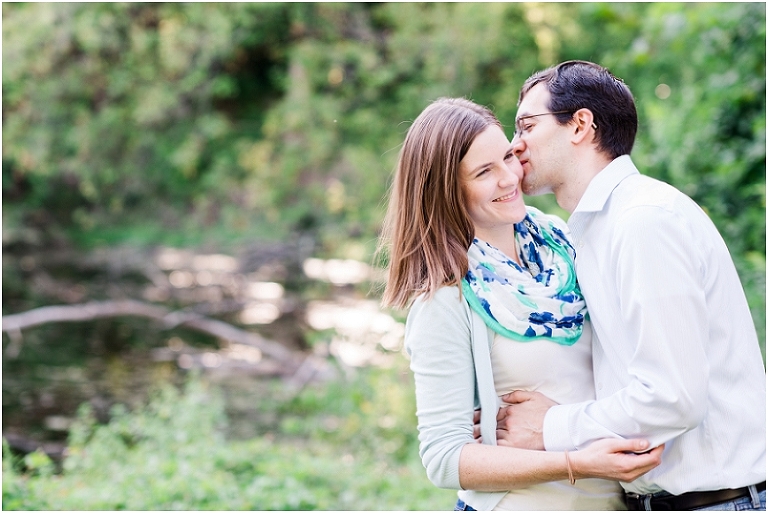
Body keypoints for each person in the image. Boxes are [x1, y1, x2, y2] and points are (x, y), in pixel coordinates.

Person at [494, 60, 766, 511]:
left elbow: (672, 398)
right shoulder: (593, 231)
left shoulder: (643, 221)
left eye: (526, 124)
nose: (514, 144)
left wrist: (549, 427)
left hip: (717, 502)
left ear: (580, 124)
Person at [378, 96, 663, 511]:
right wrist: (574, 462)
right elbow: (444, 458)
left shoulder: (564, 242)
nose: (510, 178)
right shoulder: (447, 296)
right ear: (446, 189)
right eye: (483, 172)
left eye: (508, 156)